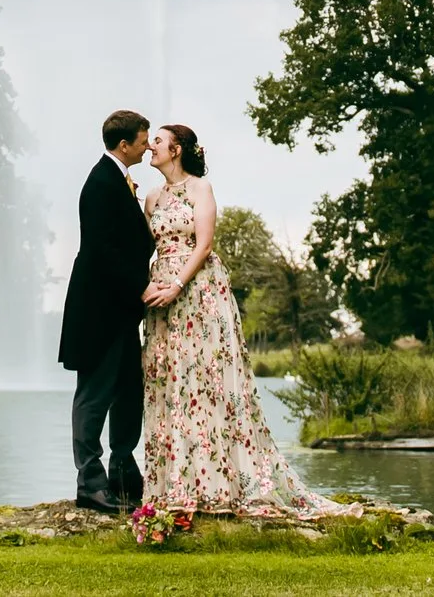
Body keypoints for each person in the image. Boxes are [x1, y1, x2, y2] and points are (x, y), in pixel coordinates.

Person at [138, 122, 355, 519]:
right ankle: (175, 484)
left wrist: (176, 286)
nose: (150, 147)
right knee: (171, 381)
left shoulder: (201, 190)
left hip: (198, 291)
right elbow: (145, 246)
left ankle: (218, 482)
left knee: (207, 380)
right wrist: (151, 287)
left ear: (177, 150)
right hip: (161, 298)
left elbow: (204, 245)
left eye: (158, 142)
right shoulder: (151, 197)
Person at [57, 108, 156, 513]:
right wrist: (144, 286)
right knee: (94, 395)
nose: (148, 145)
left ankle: (123, 474)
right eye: (144, 139)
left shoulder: (118, 180)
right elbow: (102, 252)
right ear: (124, 144)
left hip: (121, 312)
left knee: (129, 392)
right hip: (98, 311)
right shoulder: (100, 183)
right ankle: (90, 483)